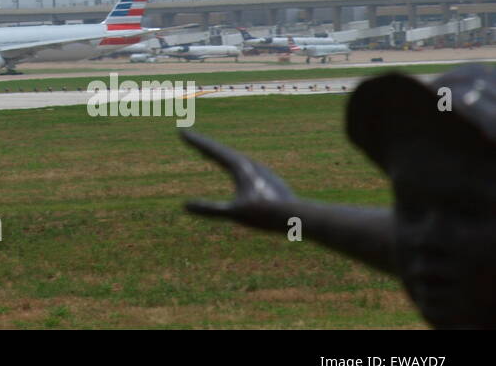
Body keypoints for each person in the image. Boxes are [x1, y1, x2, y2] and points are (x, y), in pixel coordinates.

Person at [183, 62, 496, 329]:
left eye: (469, 210)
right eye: (411, 208)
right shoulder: (443, 253)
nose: (428, 242)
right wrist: (281, 210)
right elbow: (405, 241)